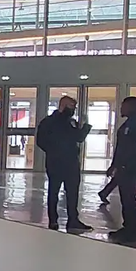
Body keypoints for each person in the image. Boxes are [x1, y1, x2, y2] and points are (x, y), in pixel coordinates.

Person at [35, 96, 92, 232]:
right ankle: (54, 220)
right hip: (57, 162)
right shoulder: (49, 122)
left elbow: (79, 138)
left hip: (69, 162)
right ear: (62, 106)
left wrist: (84, 127)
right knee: (54, 191)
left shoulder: (69, 122)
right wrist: (55, 150)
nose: (73, 110)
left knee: (71, 193)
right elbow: (41, 140)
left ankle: (72, 220)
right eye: (71, 106)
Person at [107, 96, 136, 243]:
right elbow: (121, 147)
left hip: (130, 167)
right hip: (125, 166)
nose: (121, 108)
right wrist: (115, 165)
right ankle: (129, 228)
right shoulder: (132, 122)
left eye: (124, 106)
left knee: (129, 199)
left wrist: (126, 164)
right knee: (126, 199)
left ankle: (134, 231)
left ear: (132, 106)